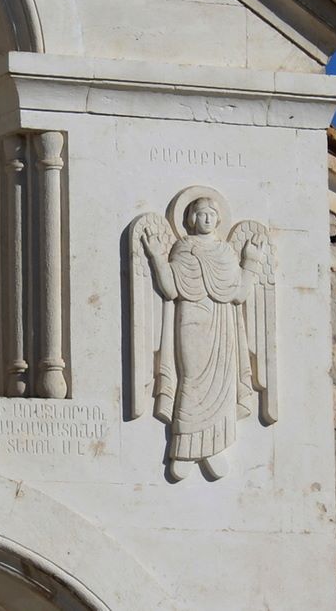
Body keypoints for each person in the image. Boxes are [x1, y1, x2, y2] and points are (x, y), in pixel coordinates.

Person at [141, 197, 265, 480]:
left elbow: (239, 294)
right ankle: (183, 447)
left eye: (211, 213)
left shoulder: (225, 252)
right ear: (190, 219)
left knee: (222, 384)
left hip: (222, 324)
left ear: (218, 219)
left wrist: (251, 261)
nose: (207, 218)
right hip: (191, 321)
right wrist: (157, 256)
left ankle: (212, 449)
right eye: (201, 214)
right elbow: (170, 289)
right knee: (192, 381)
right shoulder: (183, 248)